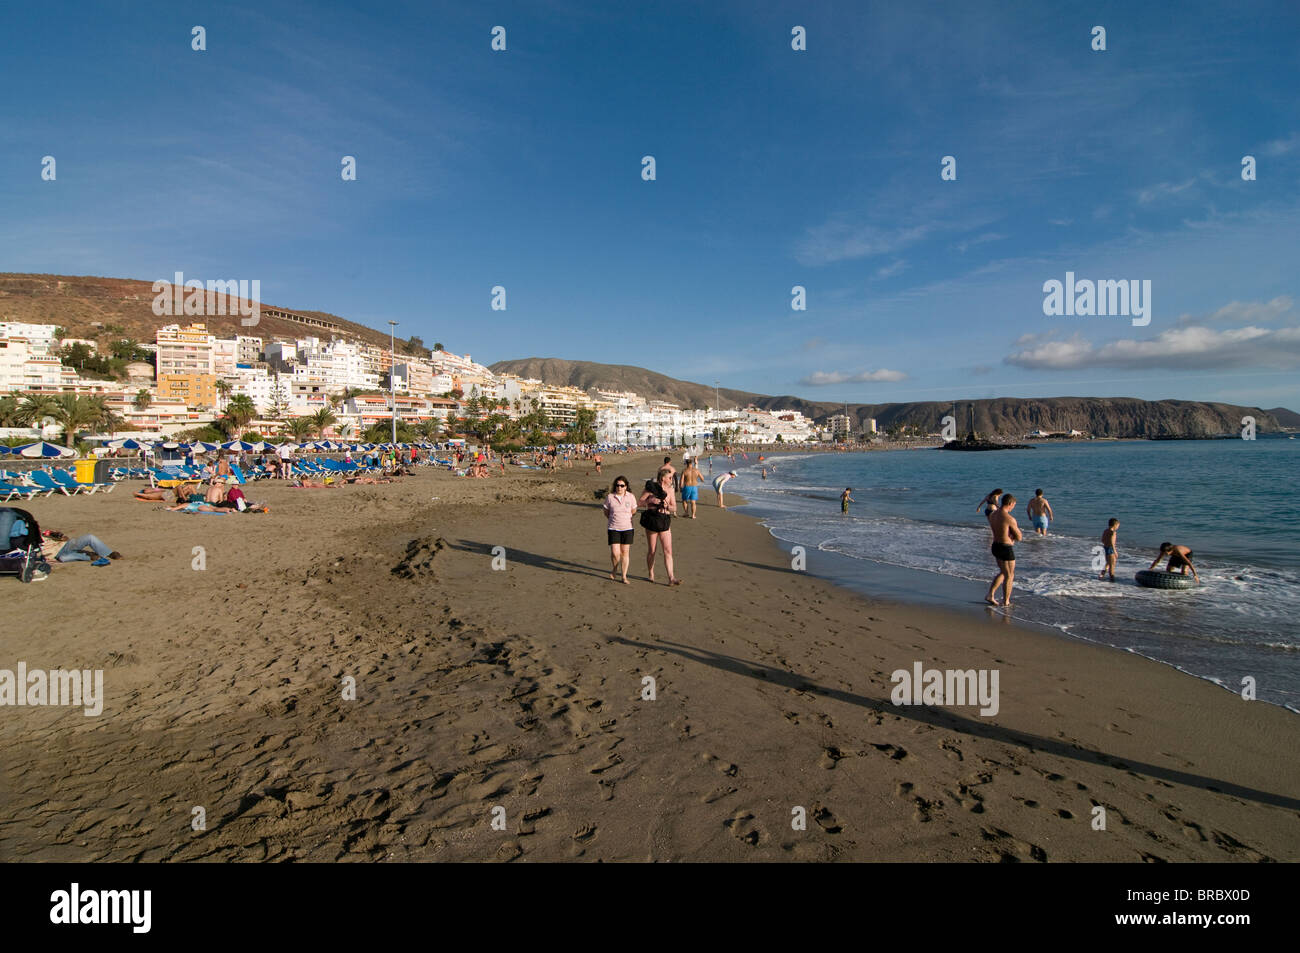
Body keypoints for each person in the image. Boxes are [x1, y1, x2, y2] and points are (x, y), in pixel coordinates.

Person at [639, 467, 681, 585]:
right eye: (669, 477)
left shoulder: (670, 490)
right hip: (652, 520)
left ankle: (671, 577)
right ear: (663, 478)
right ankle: (651, 573)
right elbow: (639, 502)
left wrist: (667, 506)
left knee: (668, 550)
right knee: (652, 550)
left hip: (664, 520)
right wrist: (650, 501)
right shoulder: (651, 488)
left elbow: (675, 508)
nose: (671, 479)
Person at [986, 493, 1022, 606]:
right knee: (1010, 575)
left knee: (1003, 572)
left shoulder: (993, 514)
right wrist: (1013, 537)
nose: (1013, 507)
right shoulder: (1009, 519)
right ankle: (1006, 601)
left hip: (995, 545)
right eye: (1014, 505)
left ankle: (990, 595)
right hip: (1005, 547)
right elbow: (1019, 537)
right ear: (1010, 503)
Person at [602, 476, 638, 584]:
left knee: (625, 552)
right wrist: (613, 518)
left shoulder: (630, 497)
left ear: (626, 487)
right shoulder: (610, 497)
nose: (619, 487)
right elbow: (606, 511)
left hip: (627, 528)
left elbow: (634, 510)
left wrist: (625, 517)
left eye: (622, 485)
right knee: (615, 552)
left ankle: (624, 576)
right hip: (613, 528)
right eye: (617, 485)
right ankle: (614, 568)